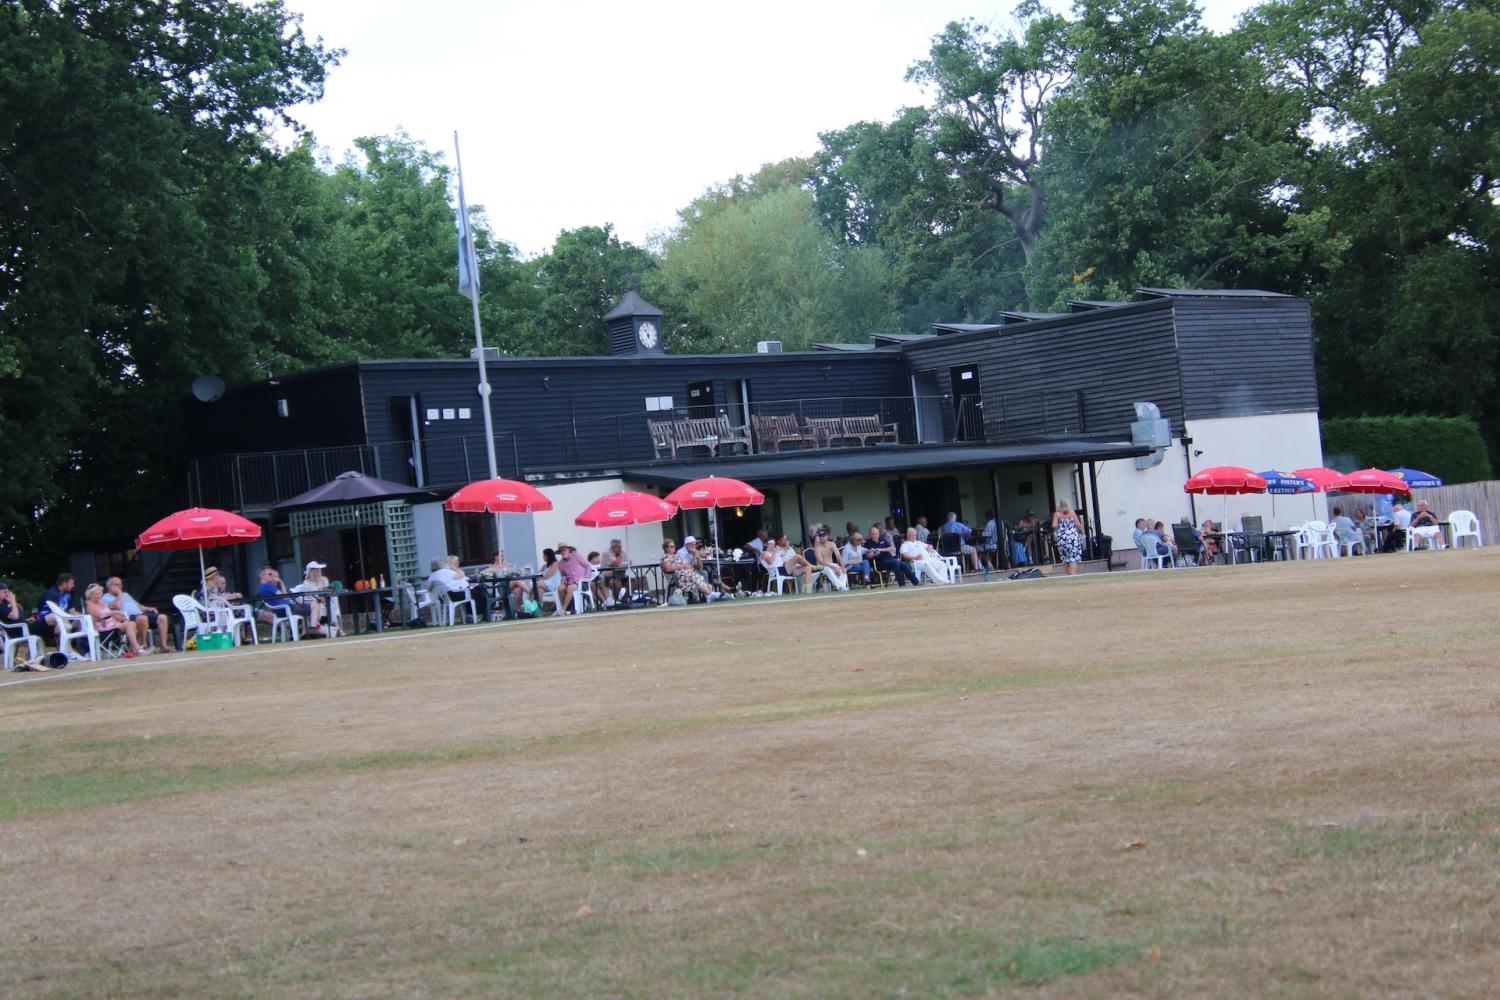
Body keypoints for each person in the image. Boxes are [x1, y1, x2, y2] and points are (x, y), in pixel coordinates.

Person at [102, 576, 173, 653]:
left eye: (120, 584)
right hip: (126, 617)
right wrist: (119, 593)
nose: (120, 586)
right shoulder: (106, 597)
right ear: (109, 586)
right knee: (142, 618)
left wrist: (148, 608)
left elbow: (137, 605)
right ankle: (143, 645)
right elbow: (116, 606)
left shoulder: (125, 594)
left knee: (162, 617)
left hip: (139, 613)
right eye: (116, 584)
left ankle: (164, 646)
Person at [257, 565, 325, 637]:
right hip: (286, 609)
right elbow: (284, 596)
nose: (273, 577)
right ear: (263, 575)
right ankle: (313, 629)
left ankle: (307, 633)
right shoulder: (268, 586)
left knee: (309, 608)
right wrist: (281, 582)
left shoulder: (263, 587)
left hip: (281, 610)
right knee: (315, 605)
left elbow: (288, 596)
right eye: (270, 574)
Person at [85, 582, 144, 657]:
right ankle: (137, 649)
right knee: (130, 624)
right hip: (102, 628)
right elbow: (99, 615)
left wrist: (118, 616)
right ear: (89, 595)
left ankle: (135, 648)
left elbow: (109, 613)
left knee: (131, 623)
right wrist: (114, 612)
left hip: (111, 625)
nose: (99, 596)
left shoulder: (99, 602)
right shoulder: (89, 603)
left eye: (100, 593)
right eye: (96, 594)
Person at [31, 573, 77, 646]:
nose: (73, 586)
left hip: (59, 621)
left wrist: (84, 617)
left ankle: (84, 650)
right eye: (71, 583)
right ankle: (68, 651)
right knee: (64, 624)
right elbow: (56, 613)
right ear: (64, 583)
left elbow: (73, 611)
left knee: (81, 622)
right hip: (45, 623)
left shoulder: (68, 595)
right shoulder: (52, 594)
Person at [556, 542, 593, 610]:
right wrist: (563, 580)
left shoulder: (577, 556)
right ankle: (567, 609)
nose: (563, 552)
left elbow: (588, 566)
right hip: (569, 582)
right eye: (561, 551)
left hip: (581, 582)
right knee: (560, 588)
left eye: (564, 550)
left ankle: (563, 609)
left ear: (568, 550)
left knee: (570, 588)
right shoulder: (560, 563)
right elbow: (563, 575)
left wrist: (586, 578)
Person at [1051, 500, 1085, 575]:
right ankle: (1073, 574)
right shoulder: (1072, 513)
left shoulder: (1057, 514)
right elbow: (1078, 525)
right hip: (1073, 537)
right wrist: (1083, 533)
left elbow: (1054, 525)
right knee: (1074, 557)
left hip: (1062, 538)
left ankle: (1069, 574)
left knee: (1065, 557)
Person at [597, 538, 630, 607]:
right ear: (613, 547)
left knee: (631, 582)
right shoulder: (606, 553)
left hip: (620, 574)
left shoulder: (623, 550)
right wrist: (619, 555)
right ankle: (617, 601)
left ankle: (625, 600)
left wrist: (625, 560)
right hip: (607, 576)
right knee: (615, 583)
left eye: (620, 547)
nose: (620, 549)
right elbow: (616, 564)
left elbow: (629, 561)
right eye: (618, 547)